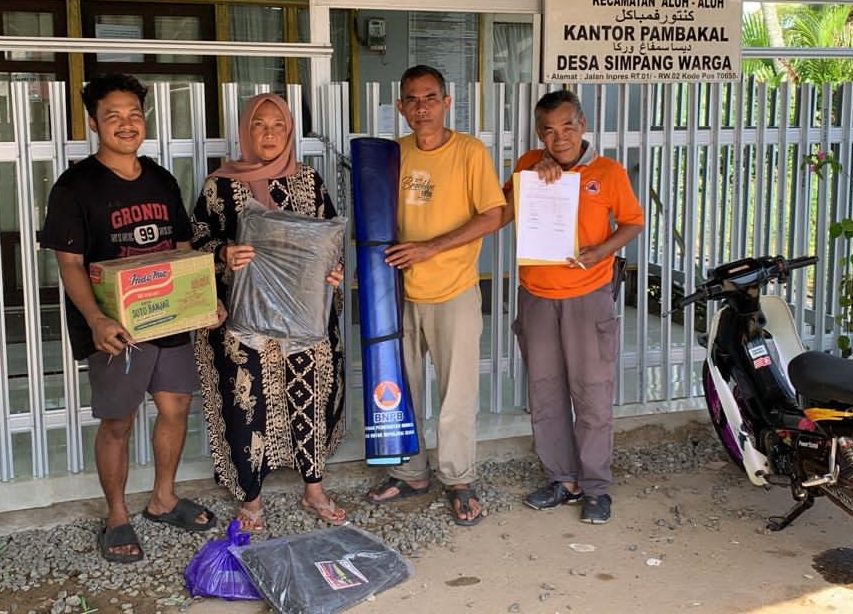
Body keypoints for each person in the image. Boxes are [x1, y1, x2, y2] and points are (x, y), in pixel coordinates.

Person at [40, 73, 215, 564]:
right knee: (118, 421)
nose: (126, 124)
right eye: (112, 115)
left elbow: (182, 248)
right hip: (115, 328)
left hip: (169, 317)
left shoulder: (161, 179)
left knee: (175, 406)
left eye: (134, 114)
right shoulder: (75, 187)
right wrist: (96, 320)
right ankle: (117, 515)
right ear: (93, 122)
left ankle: (163, 499)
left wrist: (204, 300)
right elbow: (69, 264)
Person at [191, 93, 347, 532]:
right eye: (259, 124)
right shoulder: (220, 186)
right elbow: (196, 241)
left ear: (290, 131)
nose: (269, 133)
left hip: (304, 319)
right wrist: (224, 253)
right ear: (246, 130)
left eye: (278, 125)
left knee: (309, 394)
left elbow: (330, 240)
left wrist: (334, 272)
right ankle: (251, 497)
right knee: (248, 403)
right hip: (247, 321)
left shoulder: (309, 181)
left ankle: (314, 487)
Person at [364, 65, 506, 526]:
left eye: (430, 98)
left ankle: (458, 478)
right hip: (399, 291)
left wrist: (431, 247)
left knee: (455, 392)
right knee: (401, 386)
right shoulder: (394, 153)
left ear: (446, 103)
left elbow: (493, 214)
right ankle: (411, 472)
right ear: (400, 107)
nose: (421, 107)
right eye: (412, 99)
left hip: (454, 290)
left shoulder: (469, 151)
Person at [500, 89, 644, 525]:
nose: (558, 137)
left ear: (582, 125)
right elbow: (502, 212)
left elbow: (633, 222)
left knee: (592, 394)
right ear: (538, 133)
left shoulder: (607, 171)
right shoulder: (528, 164)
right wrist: (529, 178)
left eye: (567, 126)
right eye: (548, 130)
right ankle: (562, 480)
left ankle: (596, 487)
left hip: (588, 297)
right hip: (537, 297)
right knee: (545, 392)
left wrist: (602, 250)